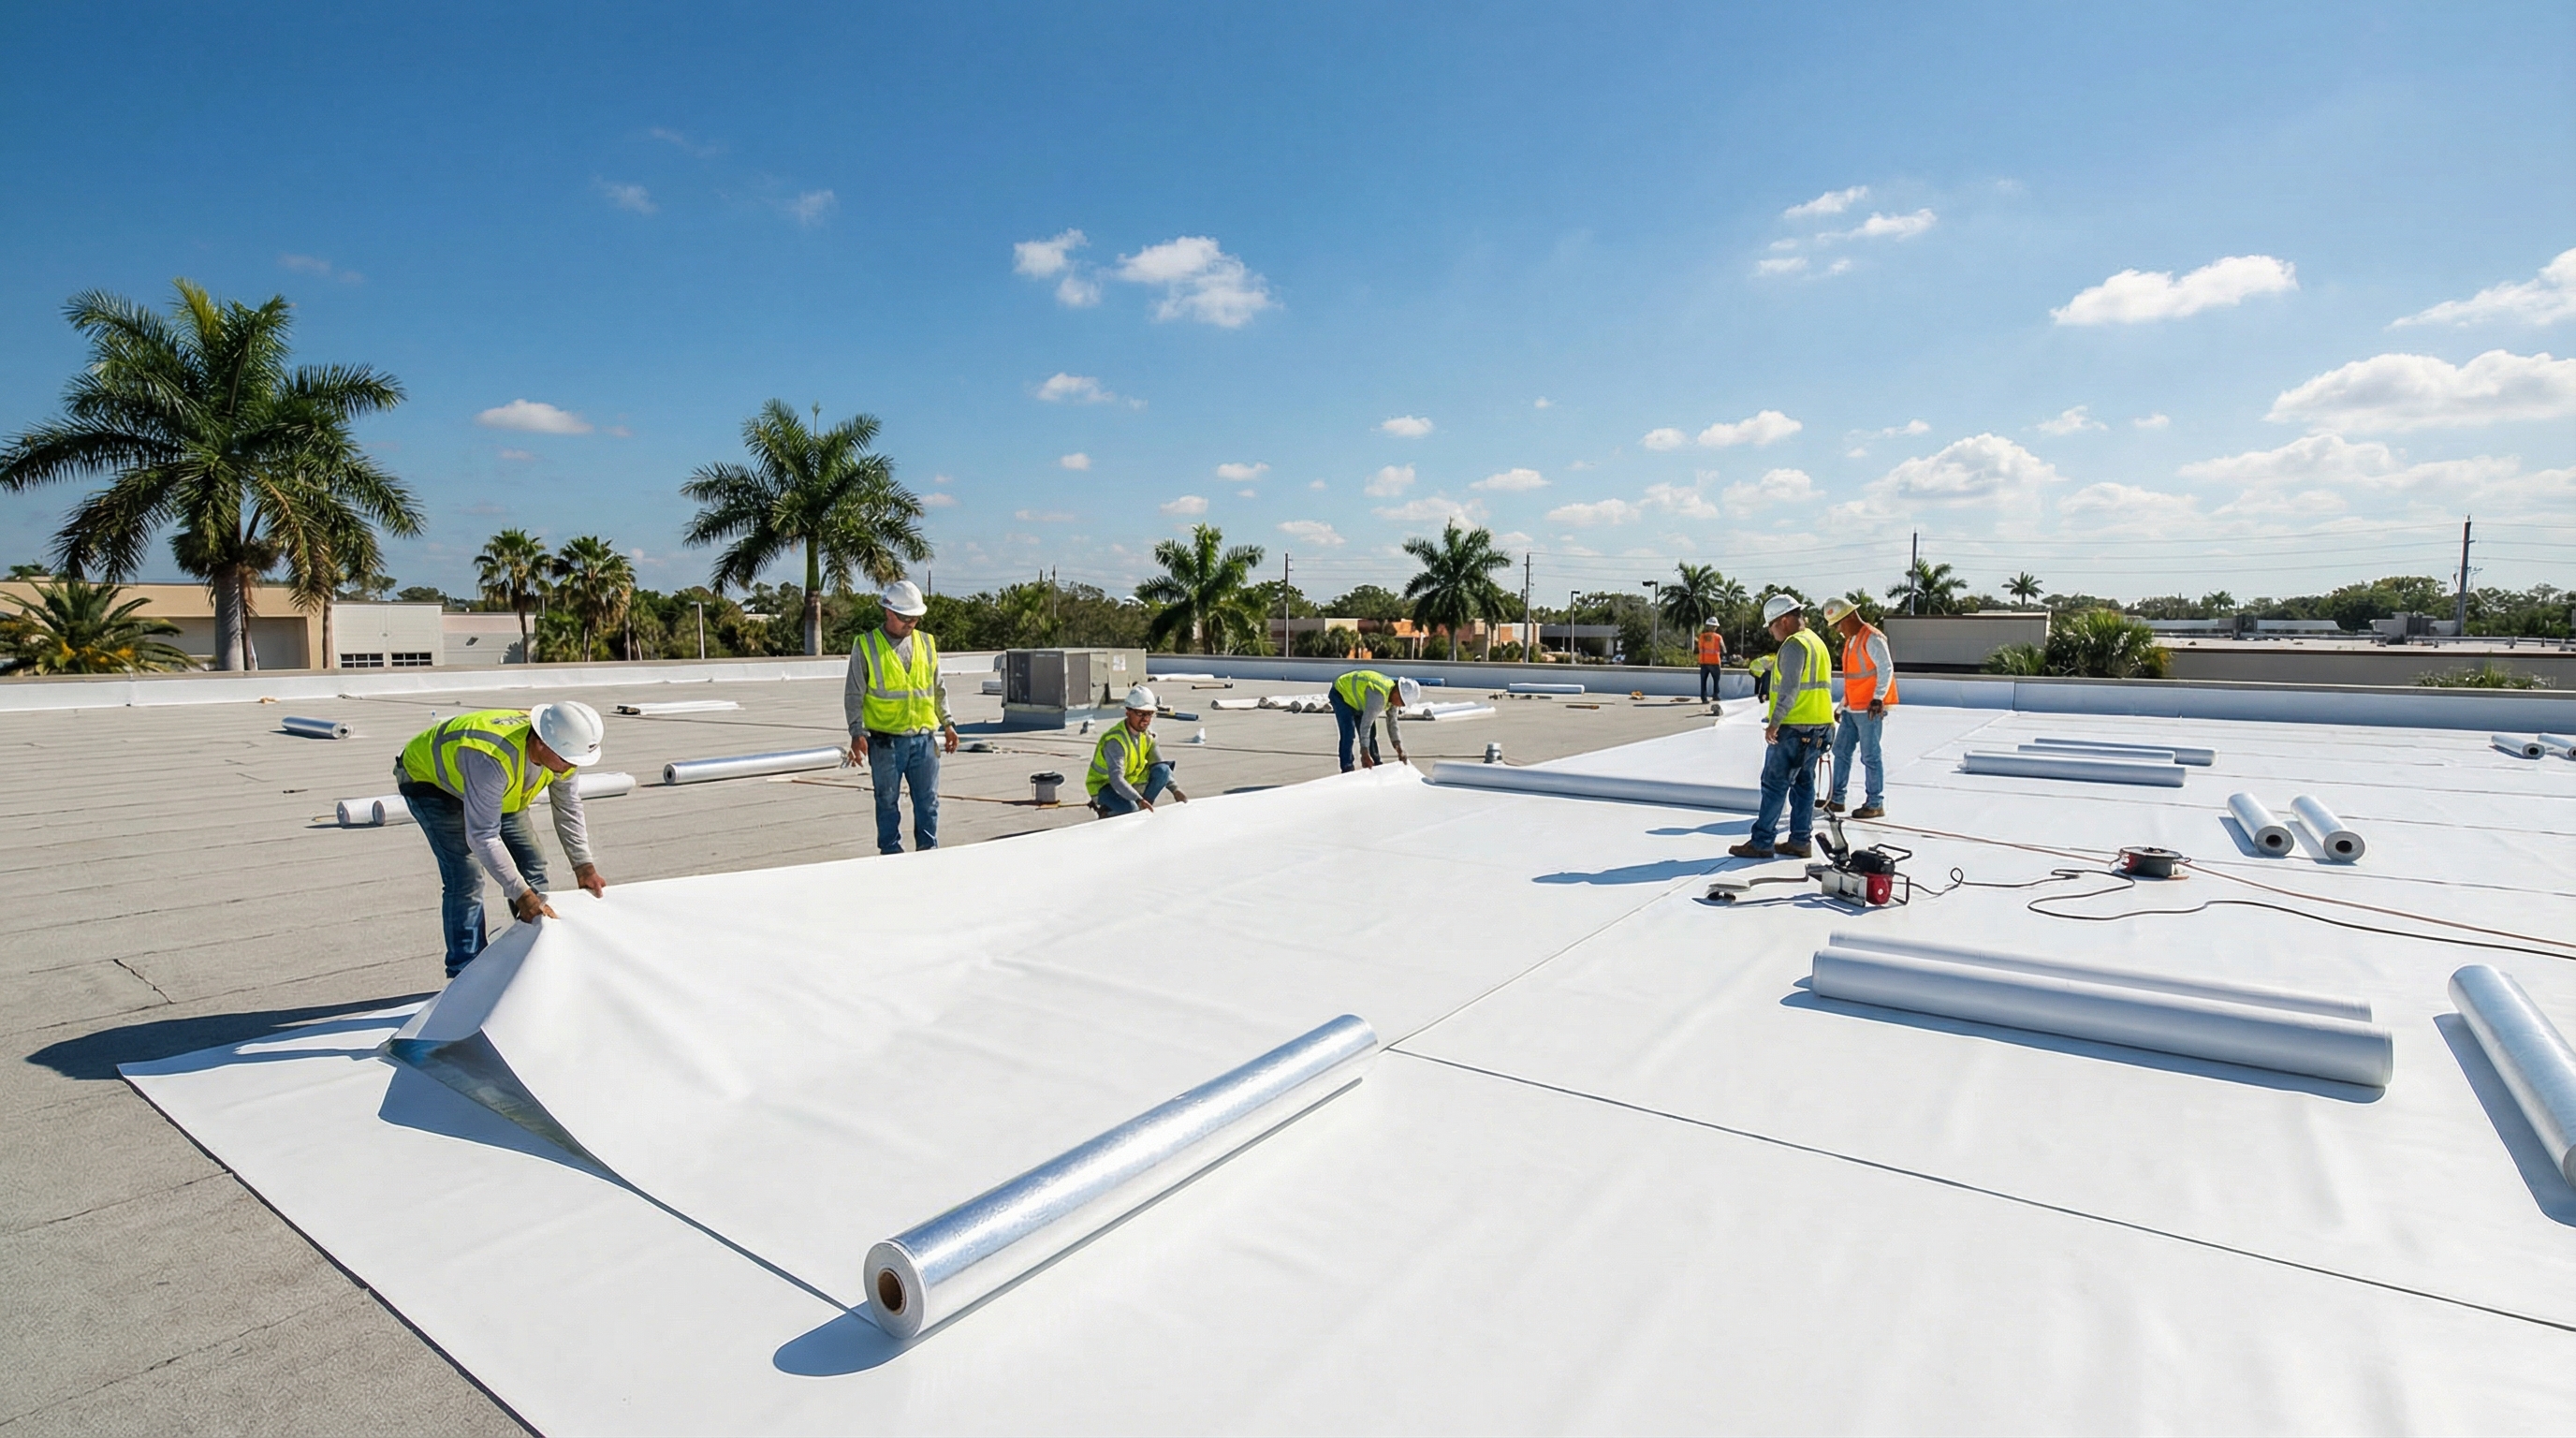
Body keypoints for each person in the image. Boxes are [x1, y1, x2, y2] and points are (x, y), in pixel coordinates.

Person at [395, 701, 608, 978]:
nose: (571, 766)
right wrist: (521, 895)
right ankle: (466, 972)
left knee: (532, 861)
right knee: (466, 877)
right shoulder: (491, 757)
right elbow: (483, 836)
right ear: (542, 743)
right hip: (431, 782)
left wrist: (584, 866)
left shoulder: (562, 753)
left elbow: (568, 807)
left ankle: (537, 952)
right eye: (568, 759)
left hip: (498, 788)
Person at [845, 579, 958, 854]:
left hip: (923, 740)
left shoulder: (927, 643)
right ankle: (891, 853)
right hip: (885, 742)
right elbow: (853, 694)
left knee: (928, 801)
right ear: (888, 611)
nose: (911, 624)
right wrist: (856, 733)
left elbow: (937, 688)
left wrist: (948, 723)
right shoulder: (867, 645)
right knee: (886, 800)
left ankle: (928, 851)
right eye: (906, 618)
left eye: (916, 618)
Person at [1729, 594, 1836, 860]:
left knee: (1775, 783)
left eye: (1771, 625)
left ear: (1784, 620)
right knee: (1803, 782)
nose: (1770, 631)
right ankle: (1800, 841)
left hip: (1795, 728)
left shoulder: (1794, 645)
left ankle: (1762, 841)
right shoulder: (1817, 642)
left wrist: (1774, 722)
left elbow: (1789, 689)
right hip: (1820, 726)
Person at [1821, 597, 1897, 820]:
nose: (1837, 630)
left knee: (1870, 756)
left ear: (1851, 616)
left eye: (1839, 624)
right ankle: (1837, 799)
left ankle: (1875, 803)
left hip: (1869, 709)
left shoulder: (1872, 638)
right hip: (1852, 708)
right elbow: (1853, 679)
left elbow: (1886, 667)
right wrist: (1842, 705)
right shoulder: (1852, 641)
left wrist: (1878, 698)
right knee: (1841, 752)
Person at [1088, 685, 1192, 816]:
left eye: (1149, 714)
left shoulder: (1148, 736)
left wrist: (1175, 790)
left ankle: (1141, 809)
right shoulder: (1116, 741)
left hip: (1130, 782)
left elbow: (1160, 766)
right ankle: (1107, 812)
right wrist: (1138, 799)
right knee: (1132, 810)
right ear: (1128, 712)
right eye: (1140, 713)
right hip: (1104, 786)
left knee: (1163, 771)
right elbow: (1116, 779)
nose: (1145, 719)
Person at [1327, 668, 1419, 772]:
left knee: (1371, 733)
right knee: (1348, 731)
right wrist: (1364, 753)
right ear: (1398, 693)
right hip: (1341, 692)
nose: (1400, 706)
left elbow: (1392, 723)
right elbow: (1366, 725)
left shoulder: (1392, 695)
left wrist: (1399, 748)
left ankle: (1376, 762)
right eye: (1402, 703)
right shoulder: (1378, 697)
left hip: (1357, 700)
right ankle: (1347, 766)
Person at [1695, 618, 1727, 705]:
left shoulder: (1702, 636)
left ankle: (1704, 698)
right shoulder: (1718, 637)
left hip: (1704, 662)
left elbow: (1699, 648)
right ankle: (1715, 695)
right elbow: (1724, 649)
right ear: (1715, 627)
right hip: (1715, 662)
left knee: (1703, 681)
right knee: (1716, 680)